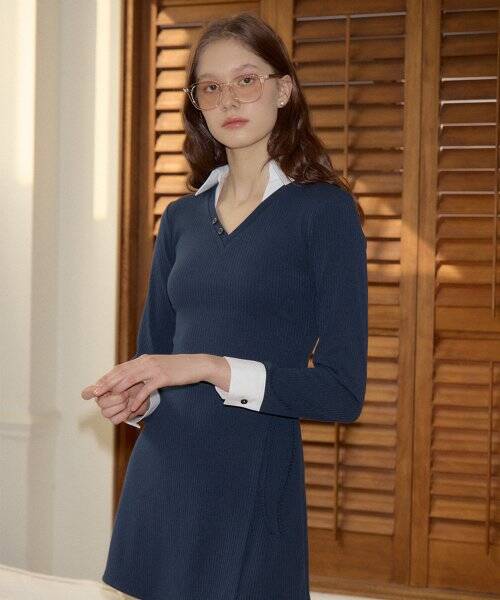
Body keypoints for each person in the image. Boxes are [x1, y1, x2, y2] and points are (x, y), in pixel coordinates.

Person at [81, 12, 368, 600]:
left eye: (246, 80)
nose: (229, 99)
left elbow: (341, 391)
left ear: (283, 90)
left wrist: (212, 367)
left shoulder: (325, 213)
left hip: (252, 485)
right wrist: (136, 397)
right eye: (210, 87)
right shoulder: (180, 219)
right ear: (197, 105)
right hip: (161, 478)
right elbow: (156, 357)